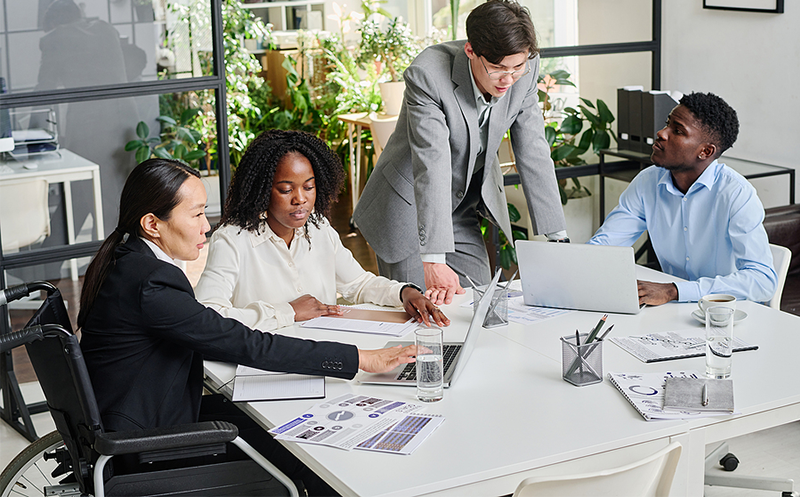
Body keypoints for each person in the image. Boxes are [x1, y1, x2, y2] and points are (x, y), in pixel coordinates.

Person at [78, 158, 416, 495]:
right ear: (153, 223)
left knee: (282, 426)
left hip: (142, 421)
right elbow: (239, 341)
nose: (205, 227)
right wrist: (359, 359)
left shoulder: (130, 262)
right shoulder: (151, 283)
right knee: (309, 456)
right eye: (196, 214)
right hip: (150, 443)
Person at [352, 0, 567, 306]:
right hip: (409, 207)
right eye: (497, 69)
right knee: (421, 317)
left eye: (517, 67)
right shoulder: (428, 75)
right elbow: (432, 163)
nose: (508, 79)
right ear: (470, 52)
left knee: (482, 304)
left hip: (460, 206)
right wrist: (434, 260)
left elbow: (533, 149)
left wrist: (557, 236)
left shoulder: (524, 72)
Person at [195, 130, 449, 331]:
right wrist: (288, 311)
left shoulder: (318, 228)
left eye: (308, 187)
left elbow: (358, 284)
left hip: (323, 353)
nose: (300, 199)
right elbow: (206, 316)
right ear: (262, 190)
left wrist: (405, 292)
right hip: (264, 363)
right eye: (286, 190)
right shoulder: (232, 239)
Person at [588, 92, 777, 306]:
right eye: (667, 124)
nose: (661, 133)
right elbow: (606, 244)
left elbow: (763, 281)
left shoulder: (736, 194)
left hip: (728, 314)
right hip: (674, 311)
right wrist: (575, 263)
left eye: (677, 131)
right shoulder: (647, 181)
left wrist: (675, 291)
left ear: (705, 151)